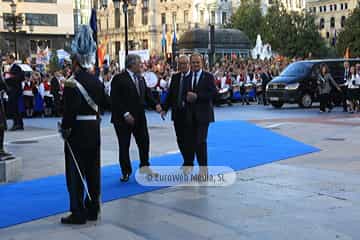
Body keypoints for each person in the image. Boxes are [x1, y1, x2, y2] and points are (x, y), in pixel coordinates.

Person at [59, 25, 108, 225]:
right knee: (93, 170)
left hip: (77, 132)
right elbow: (106, 104)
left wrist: (65, 129)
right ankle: (93, 208)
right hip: (93, 129)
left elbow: (69, 111)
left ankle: (78, 212)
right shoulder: (97, 81)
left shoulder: (72, 82)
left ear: (76, 60)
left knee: (75, 172)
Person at [110, 54, 162, 183]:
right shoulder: (119, 78)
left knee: (144, 142)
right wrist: (125, 113)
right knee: (124, 145)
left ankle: (145, 167)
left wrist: (156, 105)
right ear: (132, 64)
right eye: (140, 63)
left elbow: (147, 95)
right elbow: (115, 99)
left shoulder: (141, 79)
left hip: (139, 117)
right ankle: (126, 171)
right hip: (123, 119)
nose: (142, 65)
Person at [184, 53, 217, 173]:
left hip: (203, 115)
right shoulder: (187, 78)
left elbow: (213, 93)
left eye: (197, 62)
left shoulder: (208, 76)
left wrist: (197, 96)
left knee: (200, 142)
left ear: (202, 63)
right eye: (193, 62)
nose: (195, 65)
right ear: (190, 64)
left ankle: (203, 170)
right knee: (192, 142)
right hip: (190, 116)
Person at [161, 55, 192, 166]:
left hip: (190, 114)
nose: (182, 66)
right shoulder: (175, 77)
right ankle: (186, 159)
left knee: (189, 139)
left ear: (189, 64)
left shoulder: (193, 77)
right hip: (177, 113)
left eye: (184, 64)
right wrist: (164, 109)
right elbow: (170, 95)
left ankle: (189, 162)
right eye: (180, 64)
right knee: (180, 139)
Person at [4, 54, 24, 130]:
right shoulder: (10, 68)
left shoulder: (17, 67)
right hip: (11, 90)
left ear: (12, 59)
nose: (6, 60)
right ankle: (17, 123)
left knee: (15, 107)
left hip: (15, 90)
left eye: (8, 59)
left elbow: (21, 77)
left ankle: (18, 124)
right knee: (13, 107)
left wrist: (10, 77)